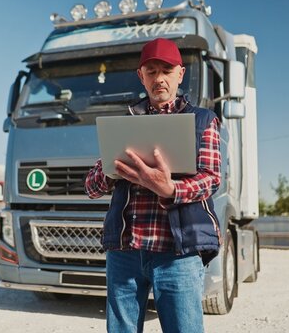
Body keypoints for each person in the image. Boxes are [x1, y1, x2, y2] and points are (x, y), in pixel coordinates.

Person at [85, 38, 222, 333]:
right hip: (125, 252)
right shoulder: (123, 125)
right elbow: (91, 186)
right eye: (151, 71)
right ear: (141, 76)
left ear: (180, 74)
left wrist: (169, 189)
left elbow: (211, 179)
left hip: (178, 254)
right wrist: (112, 171)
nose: (159, 78)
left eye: (167, 70)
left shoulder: (202, 120)